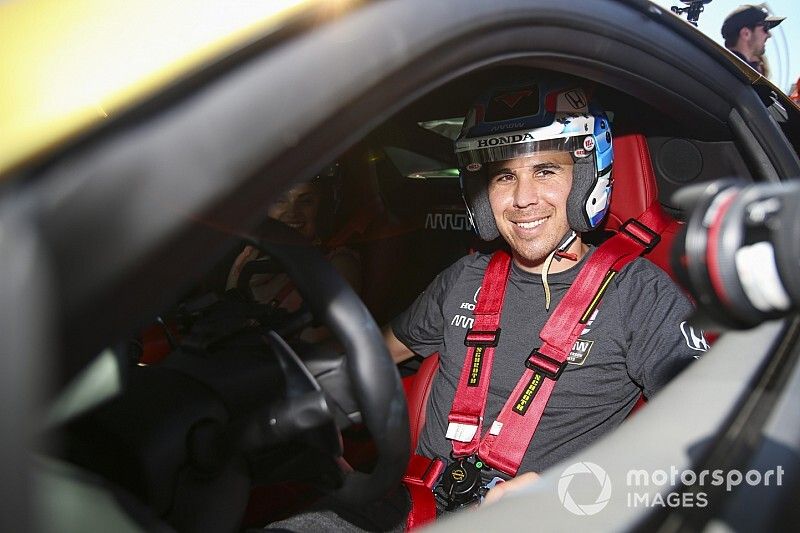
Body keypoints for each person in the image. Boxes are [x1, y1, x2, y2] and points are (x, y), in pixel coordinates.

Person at [268, 77, 705, 531]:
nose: (521, 199)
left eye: (545, 171)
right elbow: (372, 355)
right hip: (411, 504)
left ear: (585, 176)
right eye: (504, 176)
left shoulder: (640, 293)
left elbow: (712, 430)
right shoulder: (465, 276)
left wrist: (582, 491)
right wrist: (273, 382)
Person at [227, 167, 361, 341]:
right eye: (279, 200)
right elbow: (225, 314)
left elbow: (315, 341)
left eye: (306, 201)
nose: (292, 212)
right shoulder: (250, 255)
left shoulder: (337, 264)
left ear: (322, 209)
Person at [721, 4, 785, 76]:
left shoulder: (721, 65)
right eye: (765, 28)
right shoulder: (744, 77)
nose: (769, 35)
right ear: (746, 33)